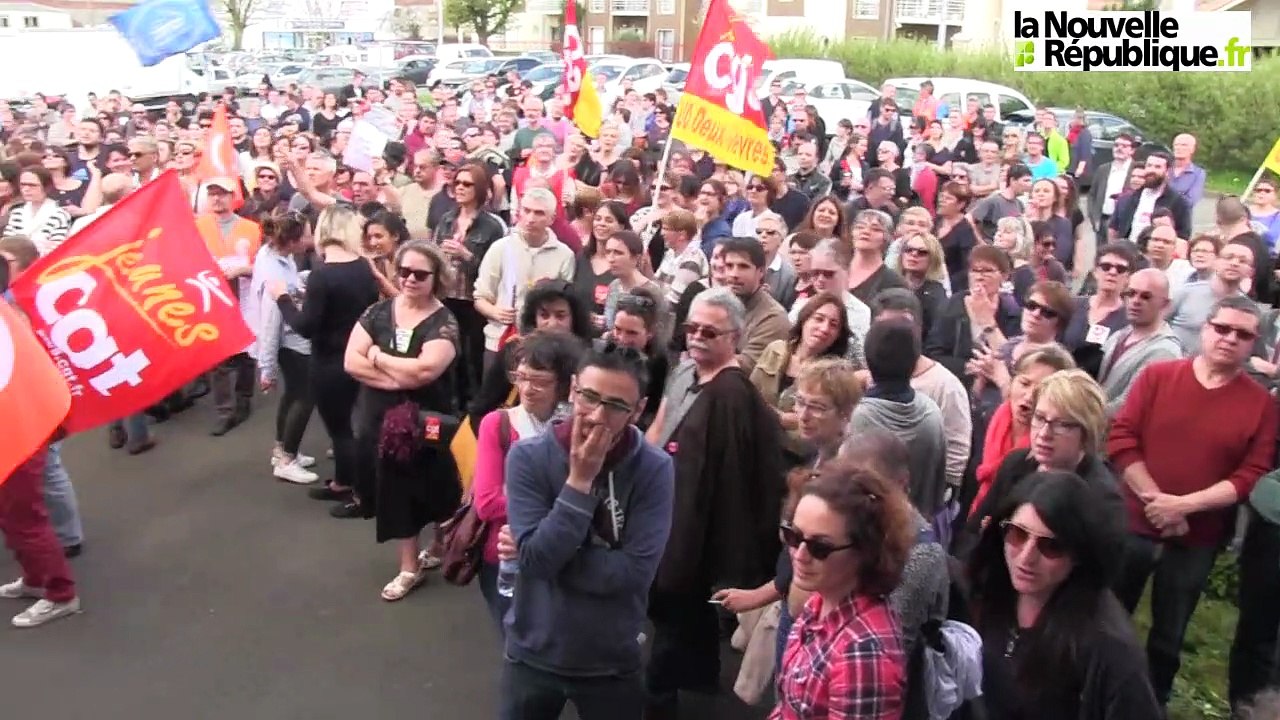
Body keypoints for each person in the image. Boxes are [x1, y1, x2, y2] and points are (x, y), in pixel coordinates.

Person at [1109, 295, 1279, 710]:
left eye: (1242, 334)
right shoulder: (1158, 377)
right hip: (1133, 523)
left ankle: (1150, 706)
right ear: (1205, 328)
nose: (1229, 339)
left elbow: (1250, 476)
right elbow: (1122, 440)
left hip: (1196, 536)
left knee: (1168, 636)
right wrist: (1158, 501)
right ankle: (1094, 693)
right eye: (1222, 328)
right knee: (1109, 617)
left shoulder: (1261, 405)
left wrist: (1184, 507)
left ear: (1253, 344)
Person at [496, 344, 674, 720]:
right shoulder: (528, 457)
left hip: (611, 659)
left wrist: (548, 558)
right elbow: (533, 560)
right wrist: (579, 482)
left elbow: (636, 574)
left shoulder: (654, 469)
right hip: (534, 651)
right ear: (573, 389)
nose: (596, 415)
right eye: (589, 397)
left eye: (616, 406)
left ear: (639, 410)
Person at [644, 288, 785, 718]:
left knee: (670, 614)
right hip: (667, 512)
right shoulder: (686, 371)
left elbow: (733, 481)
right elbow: (660, 428)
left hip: (693, 530)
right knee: (684, 614)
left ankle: (658, 701)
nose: (697, 337)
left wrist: (695, 544)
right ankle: (700, 676)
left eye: (709, 331)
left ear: (734, 337)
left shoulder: (732, 395)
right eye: (692, 328)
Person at [968, 472, 1162, 719]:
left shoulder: (1110, 651)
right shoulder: (985, 591)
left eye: (1051, 546)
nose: (1026, 557)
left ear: (1080, 554)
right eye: (1018, 534)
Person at [344, 241, 463, 601]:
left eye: (420, 274)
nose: (410, 279)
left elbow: (426, 370)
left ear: (437, 278)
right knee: (395, 491)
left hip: (429, 421)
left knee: (440, 487)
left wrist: (378, 357)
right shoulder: (379, 312)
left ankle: (442, 546)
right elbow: (351, 361)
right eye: (404, 272)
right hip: (383, 422)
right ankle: (409, 566)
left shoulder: (444, 321)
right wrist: (399, 375)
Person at [772, 461, 913, 720]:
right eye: (793, 536)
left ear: (865, 550)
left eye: (820, 547)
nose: (799, 555)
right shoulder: (820, 601)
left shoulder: (861, 655)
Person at [271, 205, 382, 516]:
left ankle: (360, 495)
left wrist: (281, 298)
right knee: (351, 424)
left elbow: (306, 326)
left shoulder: (323, 275)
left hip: (330, 360)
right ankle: (345, 482)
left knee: (340, 430)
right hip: (359, 353)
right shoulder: (362, 267)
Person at [472, 331, 582, 631]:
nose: (527, 389)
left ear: (565, 385)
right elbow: (486, 503)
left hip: (561, 556)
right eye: (520, 377)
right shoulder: (499, 424)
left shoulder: (576, 427)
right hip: (505, 555)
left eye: (540, 381)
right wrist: (562, 507)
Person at [473, 187, 576, 369]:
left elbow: (566, 303)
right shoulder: (501, 248)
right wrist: (494, 312)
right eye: (526, 210)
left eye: (539, 213)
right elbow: (480, 297)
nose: (530, 218)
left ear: (551, 219)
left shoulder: (564, 255)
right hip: (500, 341)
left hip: (544, 346)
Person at [253, 211, 318, 484]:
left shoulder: (279, 257)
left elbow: (291, 284)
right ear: (291, 240)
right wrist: (266, 368)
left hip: (293, 341)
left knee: (293, 395)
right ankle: (286, 460)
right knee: (305, 397)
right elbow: (270, 324)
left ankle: (281, 447)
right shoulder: (272, 271)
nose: (310, 239)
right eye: (305, 234)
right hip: (290, 344)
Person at [197, 177, 262, 436]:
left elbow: (263, 263)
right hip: (211, 296)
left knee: (246, 351)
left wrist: (246, 269)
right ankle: (225, 409)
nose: (217, 199)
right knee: (218, 355)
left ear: (232, 197)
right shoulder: (197, 226)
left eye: (222, 194)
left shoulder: (251, 228)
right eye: (212, 194)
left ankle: (244, 398)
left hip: (244, 295)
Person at [0, 449, 82, 628]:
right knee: (11, 519)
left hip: (16, 442)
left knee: (25, 520)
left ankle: (62, 595)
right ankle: (35, 580)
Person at [1097, 269, 1183, 417]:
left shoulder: (1165, 352)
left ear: (1165, 304)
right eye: (1131, 294)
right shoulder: (1120, 335)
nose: (1135, 301)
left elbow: (1129, 405)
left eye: (1146, 297)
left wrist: (1080, 415)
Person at [605, 286, 669, 431]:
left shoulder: (658, 361)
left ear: (650, 332)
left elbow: (653, 409)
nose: (622, 339)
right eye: (618, 329)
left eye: (632, 333)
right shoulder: (605, 349)